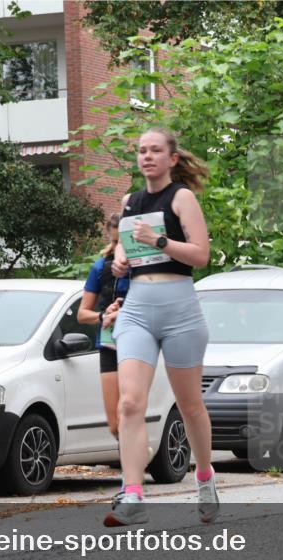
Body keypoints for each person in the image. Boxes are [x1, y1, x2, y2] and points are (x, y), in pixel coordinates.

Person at [102, 127, 217, 527]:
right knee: (130, 403)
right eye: (141, 151)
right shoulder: (130, 201)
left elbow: (201, 255)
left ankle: (204, 478)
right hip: (137, 309)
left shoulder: (181, 197)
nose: (146, 156)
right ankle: (132, 493)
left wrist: (160, 242)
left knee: (189, 406)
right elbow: (122, 250)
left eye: (155, 151)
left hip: (180, 309)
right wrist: (118, 261)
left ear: (171, 159)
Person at [78, 214, 128, 439]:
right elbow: (82, 314)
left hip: (136, 343)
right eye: (116, 242)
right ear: (109, 238)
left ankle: (131, 469)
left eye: (124, 242)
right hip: (109, 345)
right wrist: (102, 315)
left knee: (129, 411)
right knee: (115, 425)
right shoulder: (100, 267)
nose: (119, 249)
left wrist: (126, 312)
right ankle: (139, 452)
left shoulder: (143, 269)